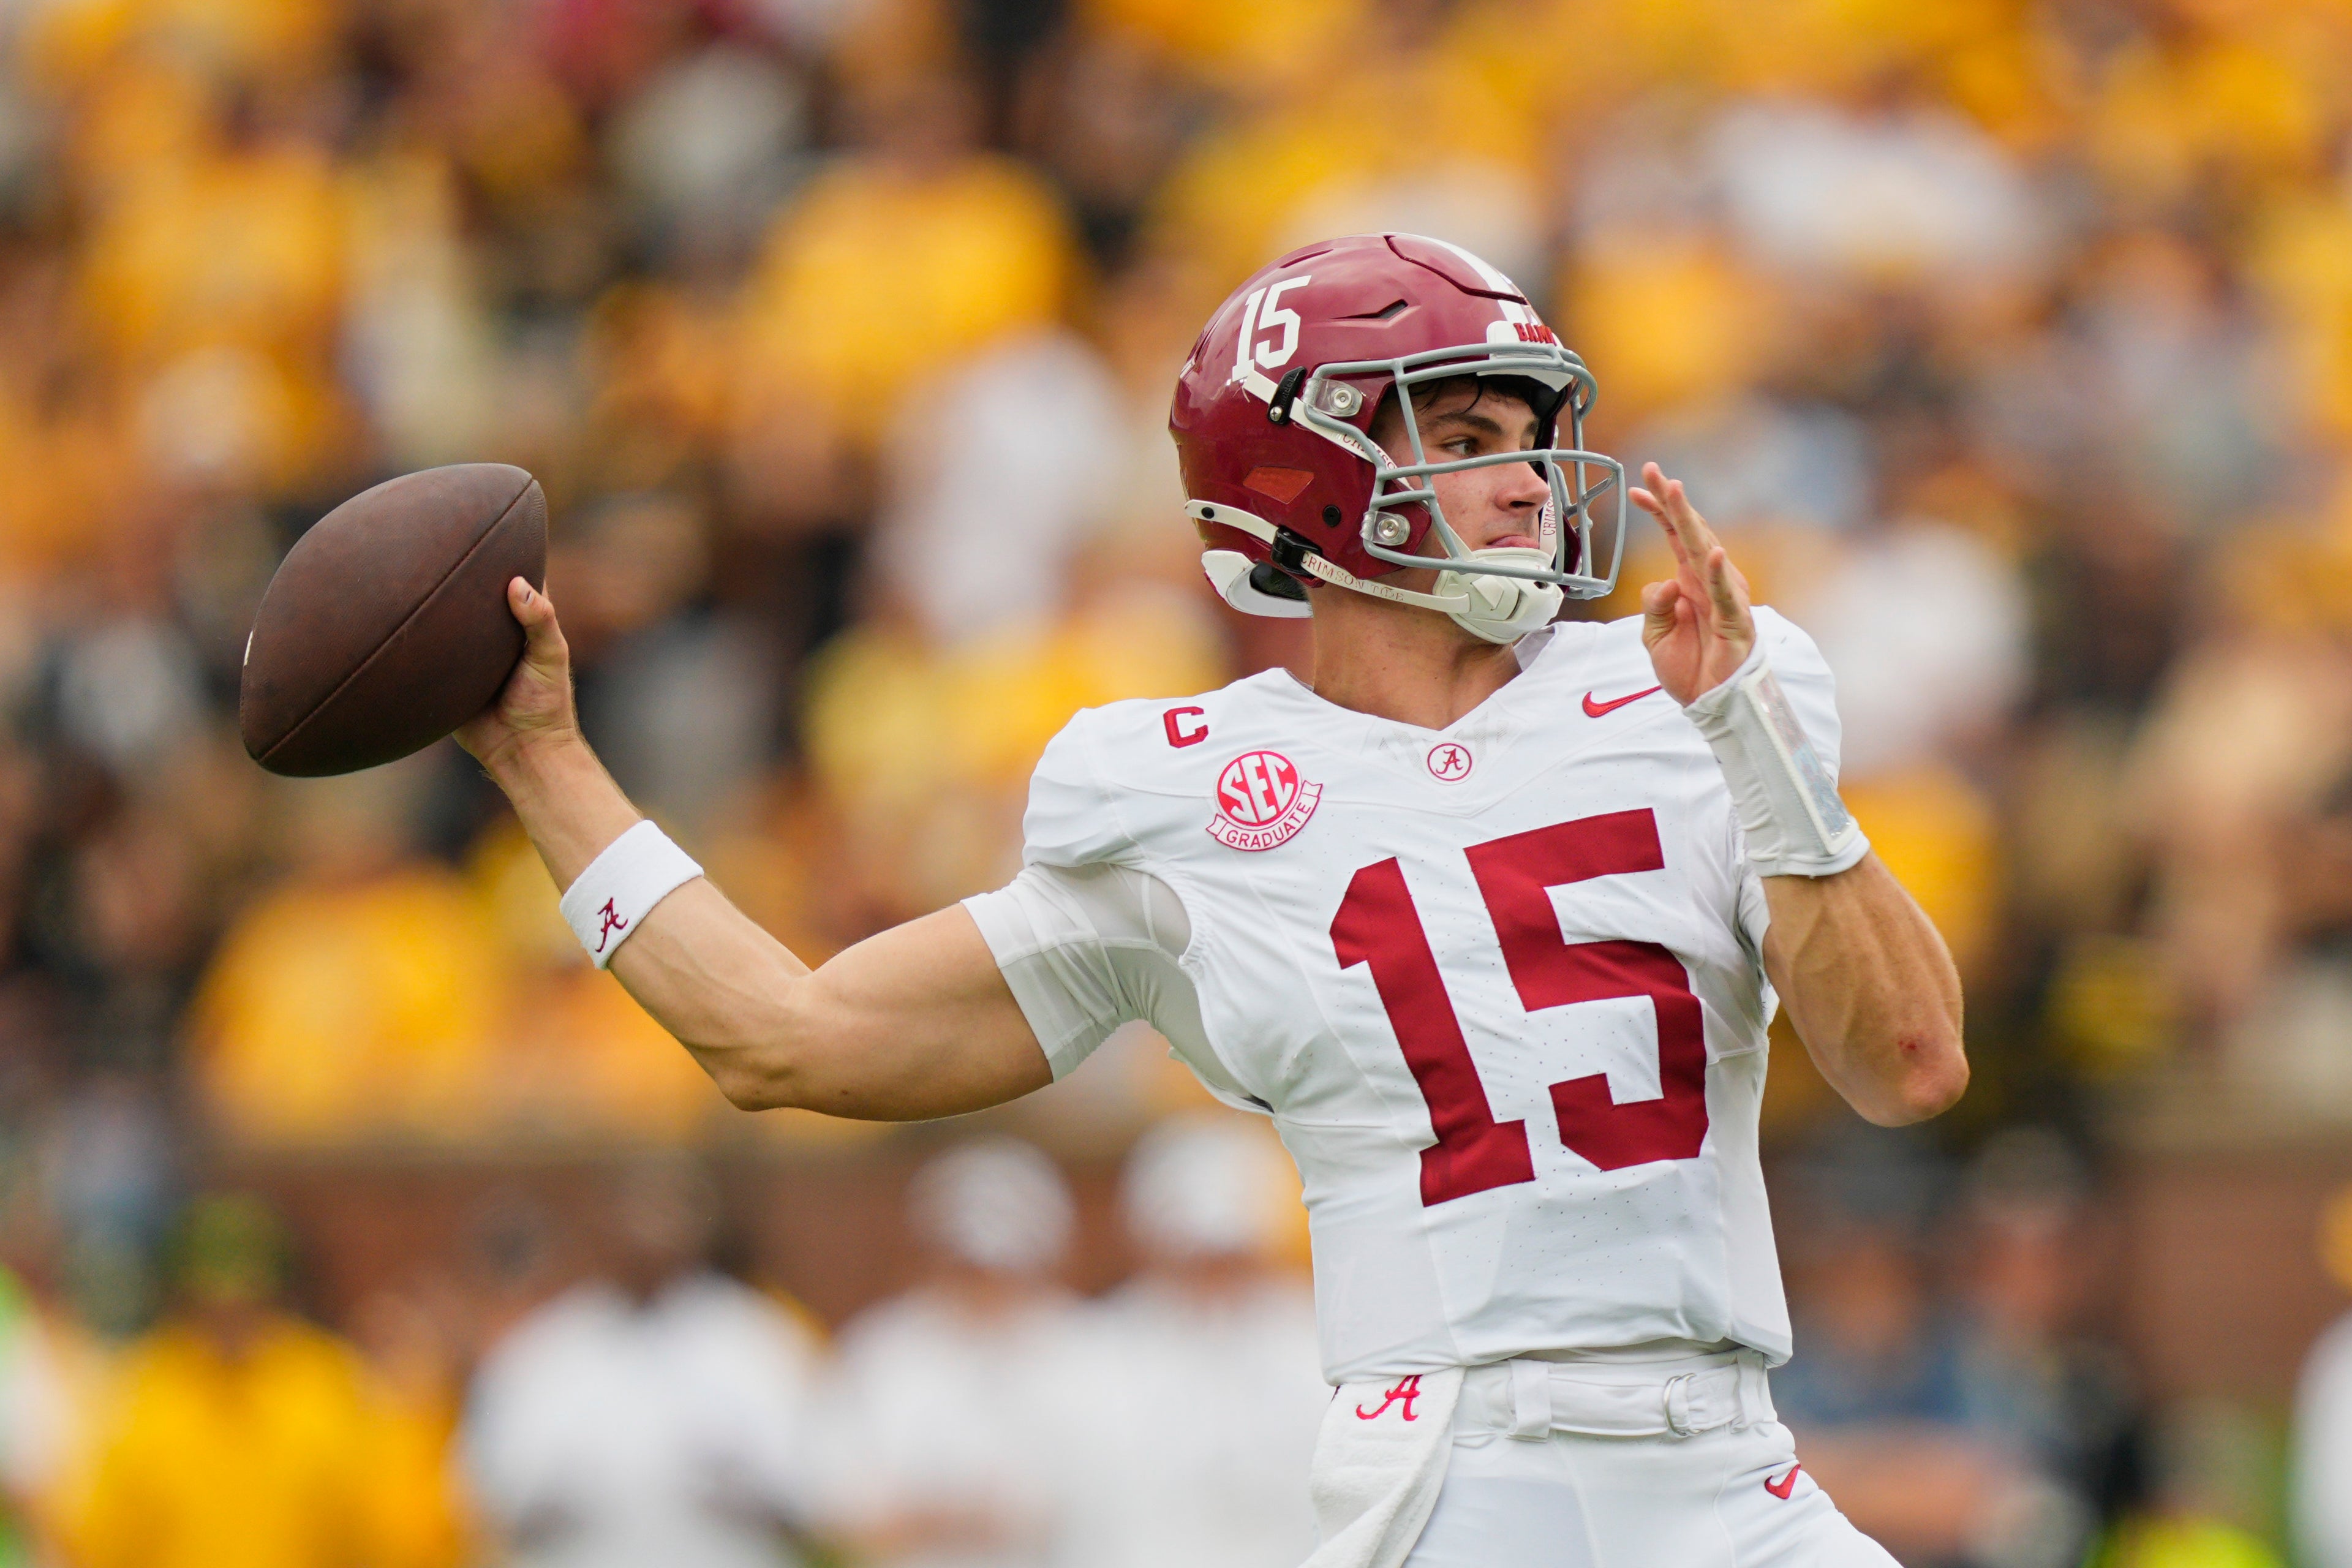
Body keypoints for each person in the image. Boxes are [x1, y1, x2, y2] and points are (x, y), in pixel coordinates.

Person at [458, 232, 1966, 1567]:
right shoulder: (1192, 794)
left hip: (1726, 1460)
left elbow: (1906, 1064)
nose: (1522, 476)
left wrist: (1757, 753)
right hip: (1450, 1478)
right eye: (1460, 428)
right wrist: (545, 763)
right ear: (1301, 474)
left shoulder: (1685, 696)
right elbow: (781, 1033)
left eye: (1525, 431)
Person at [460, 1157, 826, 1568]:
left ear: (697, 1230)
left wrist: (738, 1491)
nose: (645, 1237)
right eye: (632, 1216)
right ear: (603, 1228)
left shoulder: (758, 1341)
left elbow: (818, 1492)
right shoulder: (545, 1349)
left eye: (663, 1216)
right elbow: (484, 1494)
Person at [1054, 1114, 1325, 1568]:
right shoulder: (1096, 1353)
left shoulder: (1313, 1344)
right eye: (1196, 1258)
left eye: (1229, 1257)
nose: (1213, 1279)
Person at [816, 1139, 1084, 1568]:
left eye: (1000, 1269)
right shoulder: (880, 1351)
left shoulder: (1085, 1351)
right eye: (967, 1265)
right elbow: (837, 1495)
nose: (983, 1284)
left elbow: (1103, 1495)